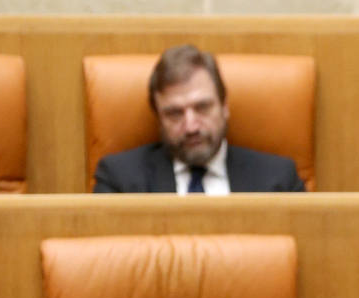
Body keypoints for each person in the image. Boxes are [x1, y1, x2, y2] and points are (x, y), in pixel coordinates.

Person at [92, 45, 306, 195]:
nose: (191, 127)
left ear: (224, 107)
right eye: (175, 113)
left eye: (202, 107)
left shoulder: (278, 180)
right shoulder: (119, 180)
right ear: (158, 118)